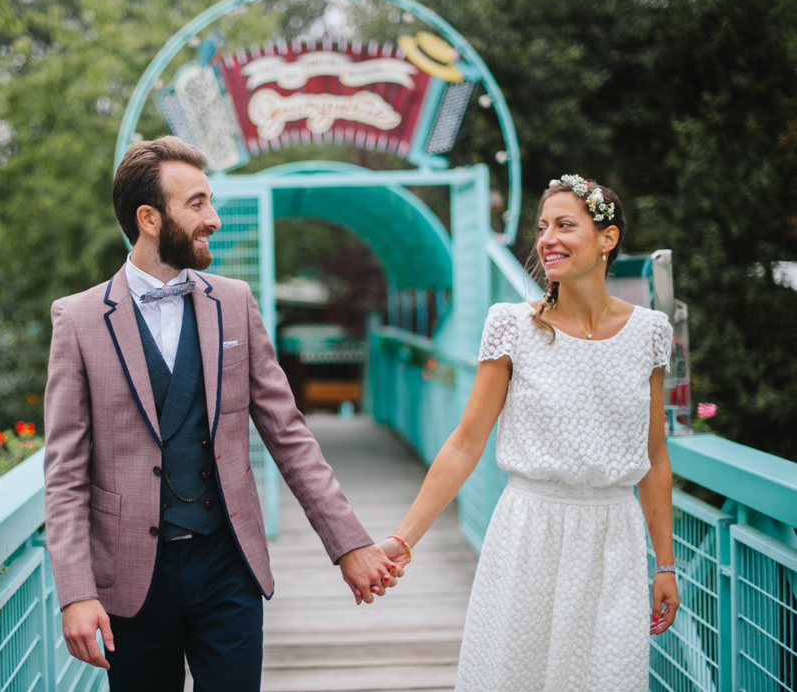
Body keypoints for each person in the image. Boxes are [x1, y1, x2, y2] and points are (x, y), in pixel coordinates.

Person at [42, 135, 399, 692]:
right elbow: (65, 474)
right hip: (129, 577)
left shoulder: (234, 302)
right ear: (149, 218)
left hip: (229, 565)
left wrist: (348, 543)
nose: (213, 218)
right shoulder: (79, 319)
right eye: (197, 204)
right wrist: (75, 593)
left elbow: (288, 434)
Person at [379, 176, 679, 691]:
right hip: (529, 534)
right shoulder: (511, 325)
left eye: (565, 225)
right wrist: (404, 538)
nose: (547, 240)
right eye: (542, 228)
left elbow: (653, 455)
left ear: (607, 239)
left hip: (615, 541)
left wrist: (666, 565)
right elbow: (466, 443)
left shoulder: (650, 332)